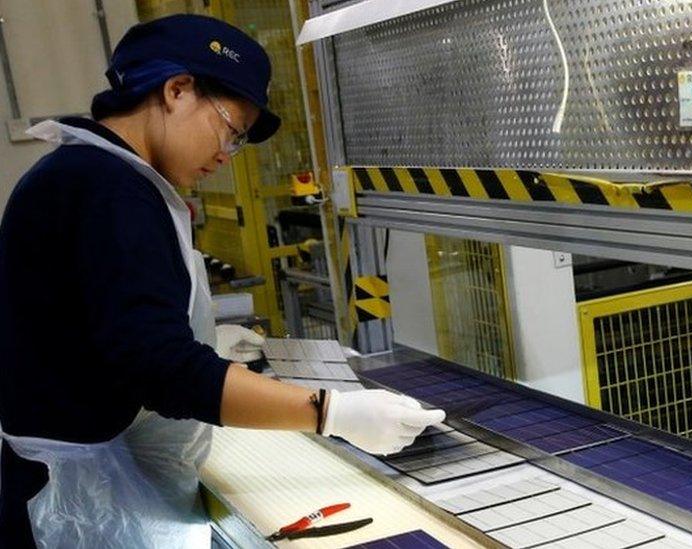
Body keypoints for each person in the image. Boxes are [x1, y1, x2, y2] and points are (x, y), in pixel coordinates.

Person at [0, 14, 444, 548]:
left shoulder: (83, 172)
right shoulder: (112, 190)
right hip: (71, 500)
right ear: (177, 90)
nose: (225, 156)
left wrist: (200, 345)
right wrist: (331, 412)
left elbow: (101, 329)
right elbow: (161, 371)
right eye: (230, 131)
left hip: (67, 473)